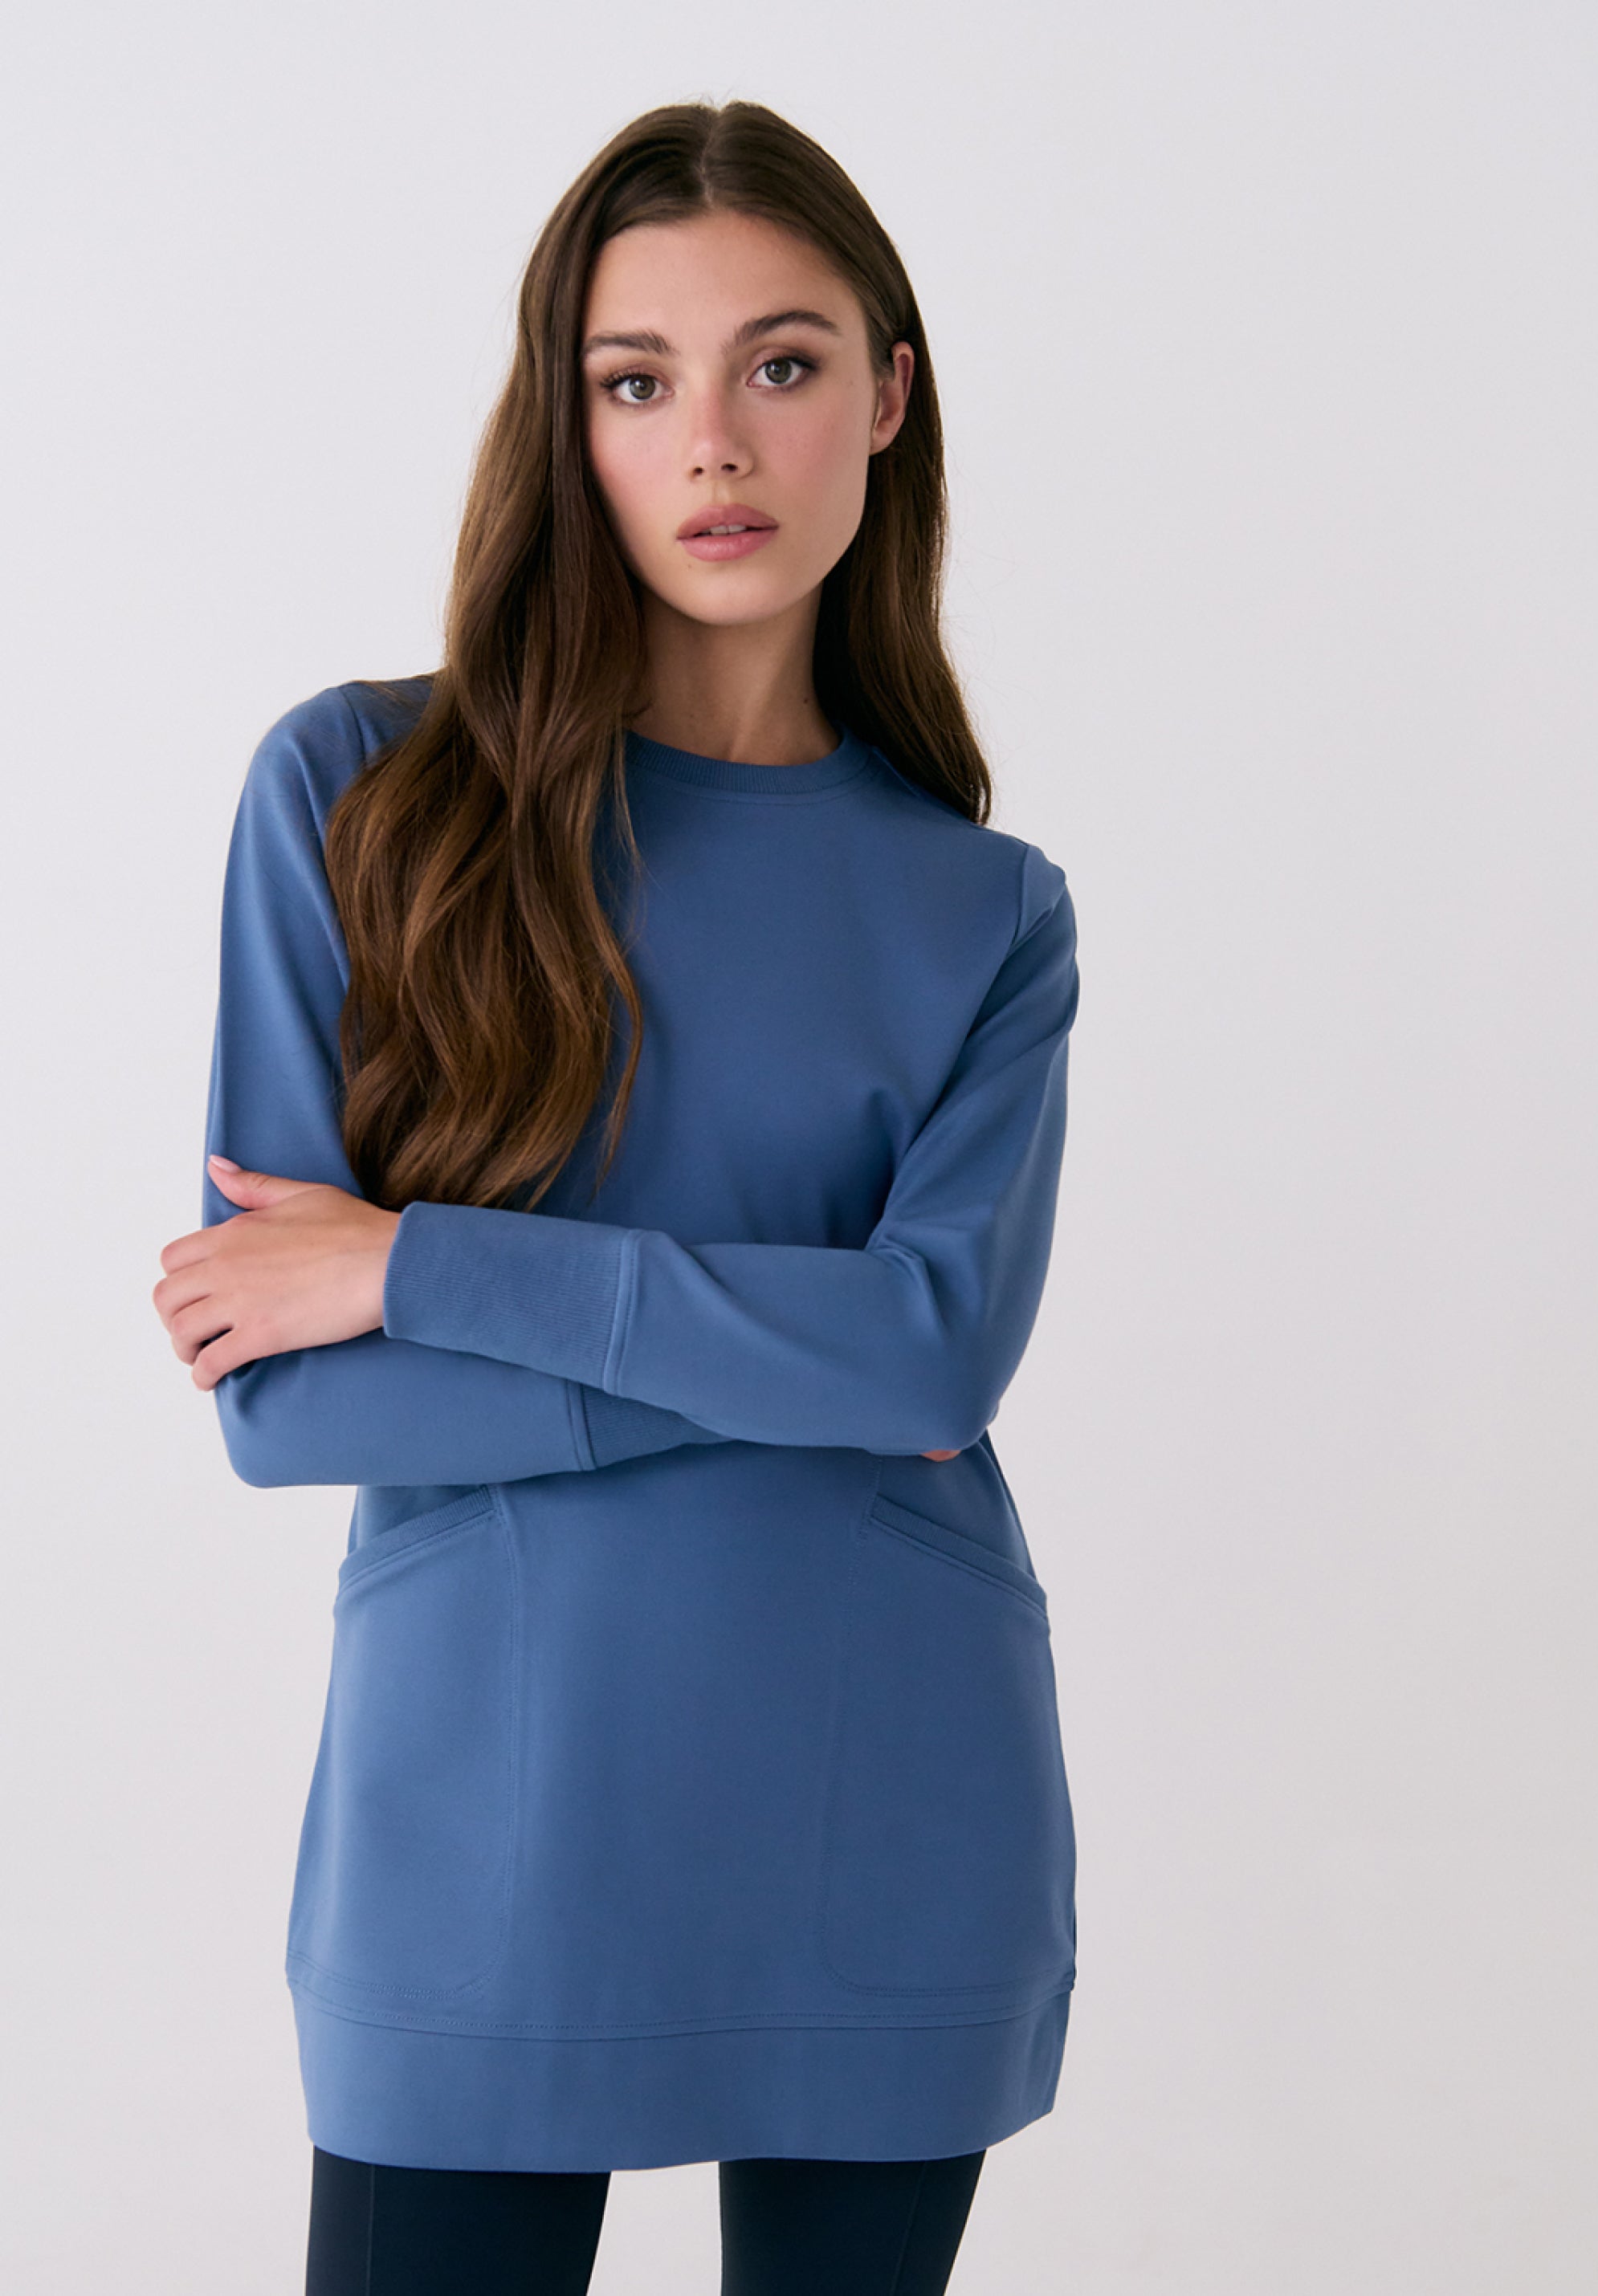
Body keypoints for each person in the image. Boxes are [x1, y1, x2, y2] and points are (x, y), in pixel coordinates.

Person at [154, 97, 1081, 2296]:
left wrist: (418, 1268)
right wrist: (798, 1359)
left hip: (890, 1809)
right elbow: (286, 1396)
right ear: (565, 426)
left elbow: (931, 1362)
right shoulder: (363, 797)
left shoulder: (985, 909)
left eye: (782, 363)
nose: (716, 442)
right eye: (636, 380)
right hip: (479, 1831)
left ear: (888, 395)